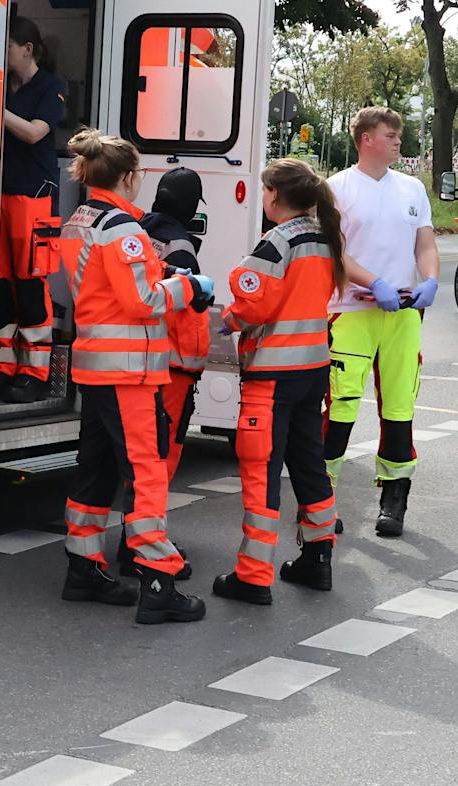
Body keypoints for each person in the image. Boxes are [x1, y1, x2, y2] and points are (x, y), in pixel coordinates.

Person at [58, 129, 211, 626]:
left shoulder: (79, 220)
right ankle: (159, 580)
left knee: (95, 470)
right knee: (147, 473)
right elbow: (142, 300)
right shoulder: (122, 227)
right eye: (140, 173)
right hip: (128, 371)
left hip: (95, 365)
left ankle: (84, 568)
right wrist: (188, 287)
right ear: (126, 177)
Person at [213, 159, 343, 603]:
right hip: (312, 370)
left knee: (261, 471)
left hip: (273, 376)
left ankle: (252, 576)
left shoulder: (275, 243)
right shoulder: (324, 238)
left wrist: (225, 321)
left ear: (272, 194)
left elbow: (253, 307)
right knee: (309, 465)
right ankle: (317, 559)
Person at [323, 106, 439, 539]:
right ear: (366, 138)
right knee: (340, 405)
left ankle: (394, 499)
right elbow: (335, 251)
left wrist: (430, 279)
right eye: (390, 135)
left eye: (398, 135)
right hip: (353, 311)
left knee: (399, 407)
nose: (397, 141)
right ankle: (322, 497)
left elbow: (425, 242)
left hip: (404, 313)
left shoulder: (412, 188)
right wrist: (374, 282)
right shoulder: (335, 188)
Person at [0, 19, 67, 405]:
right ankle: (4, 367)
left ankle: (36, 373)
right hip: (3, 191)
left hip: (34, 195)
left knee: (30, 284)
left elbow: (35, 132)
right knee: (4, 285)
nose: (4, 55)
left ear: (27, 48)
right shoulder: (7, 84)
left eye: (8, 48)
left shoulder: (51, 87)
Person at [142, 168, 210, 488]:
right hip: (173, 367)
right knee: (163, 448)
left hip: (142, 357)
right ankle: (148, 530)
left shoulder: (139, 230)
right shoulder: (181, 245)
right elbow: (192, 301)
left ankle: (139, 528)